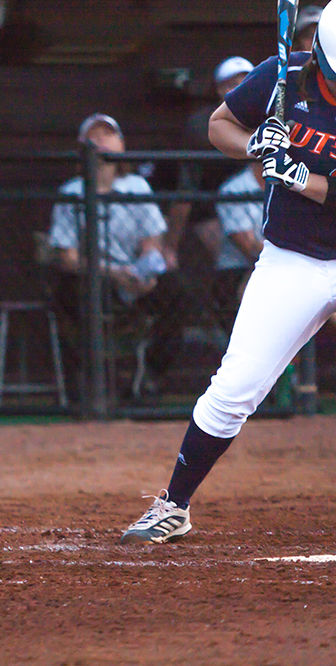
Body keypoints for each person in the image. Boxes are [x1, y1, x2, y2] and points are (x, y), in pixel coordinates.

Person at [121, 2, 336, 544]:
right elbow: (221, 125)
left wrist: (297, 174)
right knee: (234, 387)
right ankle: (174, 504)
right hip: (293, 258)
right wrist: (255, 147)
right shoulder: (283, 75)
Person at [49, 113, 187, 397]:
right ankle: (92, 387)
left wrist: (144, 274)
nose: (101, 141)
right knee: (77, 294)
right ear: (82, 145)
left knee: (177, 292)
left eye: (108, 134)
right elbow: (68, 258)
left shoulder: (136, 187)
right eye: (94, 135)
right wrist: (113, 274)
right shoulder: (71, 192)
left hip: (135, 274)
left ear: (122, 144)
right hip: (94, 276)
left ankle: (149, 376)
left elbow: (152, 241)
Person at [163, 56, 255, 273]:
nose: (239, 88)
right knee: (235, 264)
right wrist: (170, 246)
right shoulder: (201, 124)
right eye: (231, 84)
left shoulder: (271, 115)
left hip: (262, 206)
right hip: (210, 211)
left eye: (246, 81)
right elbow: (187, 187)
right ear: (219, 90)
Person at [209, 163, 265, 332]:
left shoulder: (298, 184)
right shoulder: (233, 189)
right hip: (239, 270)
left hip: (292, 266)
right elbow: (249, 248)